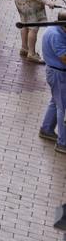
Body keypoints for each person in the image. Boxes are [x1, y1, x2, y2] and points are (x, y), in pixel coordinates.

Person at [39, 21, 66, 154]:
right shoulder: (56, 35)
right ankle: (63, 142)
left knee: (56, 101)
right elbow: (64, 58)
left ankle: (47, 129)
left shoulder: (54, 29)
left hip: (55, 73)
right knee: (63, 107)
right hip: (58, 74)